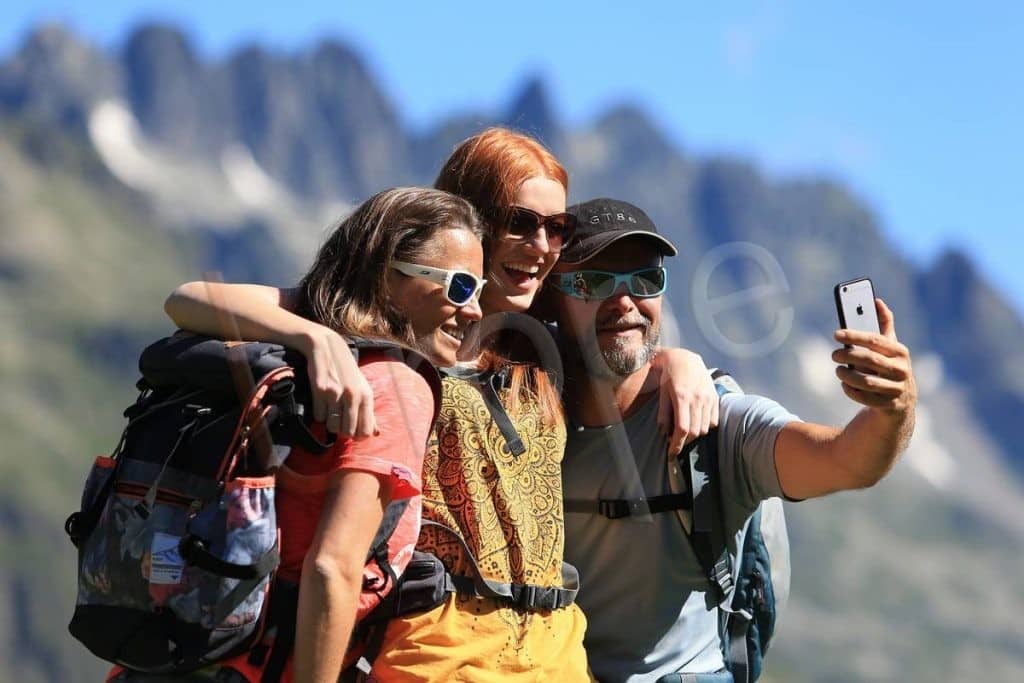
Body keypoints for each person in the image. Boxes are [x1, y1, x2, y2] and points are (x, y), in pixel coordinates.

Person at [163, 129, 719, 681]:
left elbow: (624, 329)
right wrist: (317, 337)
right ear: (473, 220)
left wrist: (677, 362)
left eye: (559, 228)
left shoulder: (542, 337)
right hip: (441, 655)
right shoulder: (393, 331)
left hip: (557, 658)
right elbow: (189, 299)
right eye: (522, 223)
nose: (544, 246)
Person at [112, 187, 486, 683]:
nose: (476, 311)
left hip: (163, 655)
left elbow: (186, 301)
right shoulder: (397, 384)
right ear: (386, 277)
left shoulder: (302, 329)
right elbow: (332, 568)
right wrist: (316, 336)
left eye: (480, 291)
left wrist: (311, 335)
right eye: (460, 287)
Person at [547, 198, 917, 682]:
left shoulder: (716, 426)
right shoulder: (519, 421)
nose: (624, 301)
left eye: (644, 280)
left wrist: (895, 406)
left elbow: (848, 461)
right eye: (595, 282)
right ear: (551, 297)